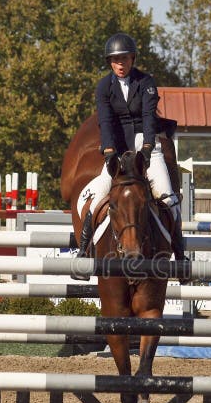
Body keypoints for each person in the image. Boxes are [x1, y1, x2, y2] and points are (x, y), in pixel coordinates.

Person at [78, 32, 184, 261]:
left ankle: (181, 255)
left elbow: (149, 117)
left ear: (132, 59)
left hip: (146, 146)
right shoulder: (104, 87)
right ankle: (84, 251)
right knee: (98, 196)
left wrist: (147, 147)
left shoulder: (146, 83)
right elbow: (105, 120)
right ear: (110, 62)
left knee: (168, 198)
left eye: (124, 59)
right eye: (116, 60)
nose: (120, 64)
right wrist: (108, 151)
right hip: (118, 148)